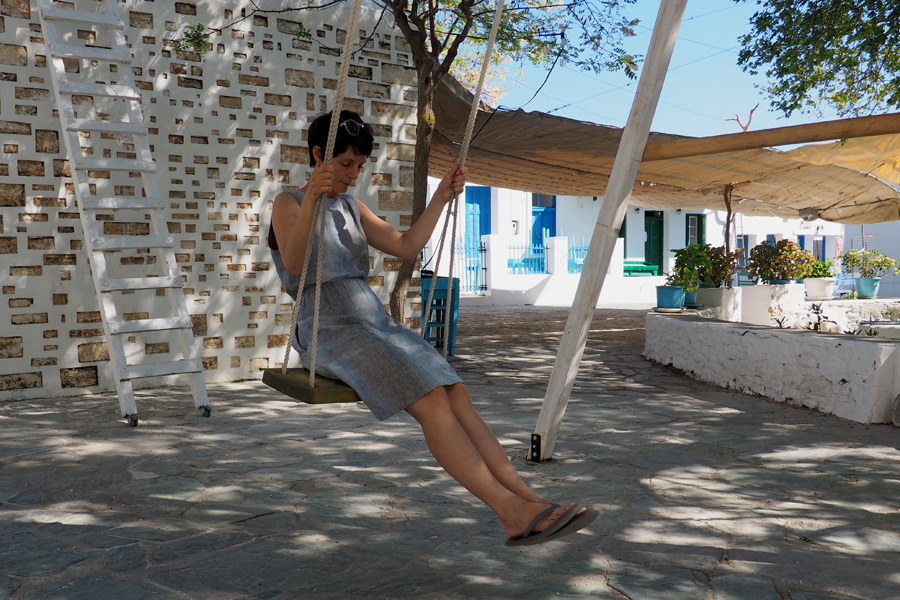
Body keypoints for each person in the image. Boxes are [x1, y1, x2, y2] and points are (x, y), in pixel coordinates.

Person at [269, 109, 597, 546]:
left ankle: (529, 498)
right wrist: (312, 196)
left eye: (359, 166)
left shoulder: (352, 206)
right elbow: (294, 264)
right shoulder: (288, 202)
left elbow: (406, 246)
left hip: (373, 320)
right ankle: (510, 513)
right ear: (319, 156)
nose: (353, 175)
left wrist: (441, 196)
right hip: (329, 327)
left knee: (455, 392)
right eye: (346, 164)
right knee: (432, 404)